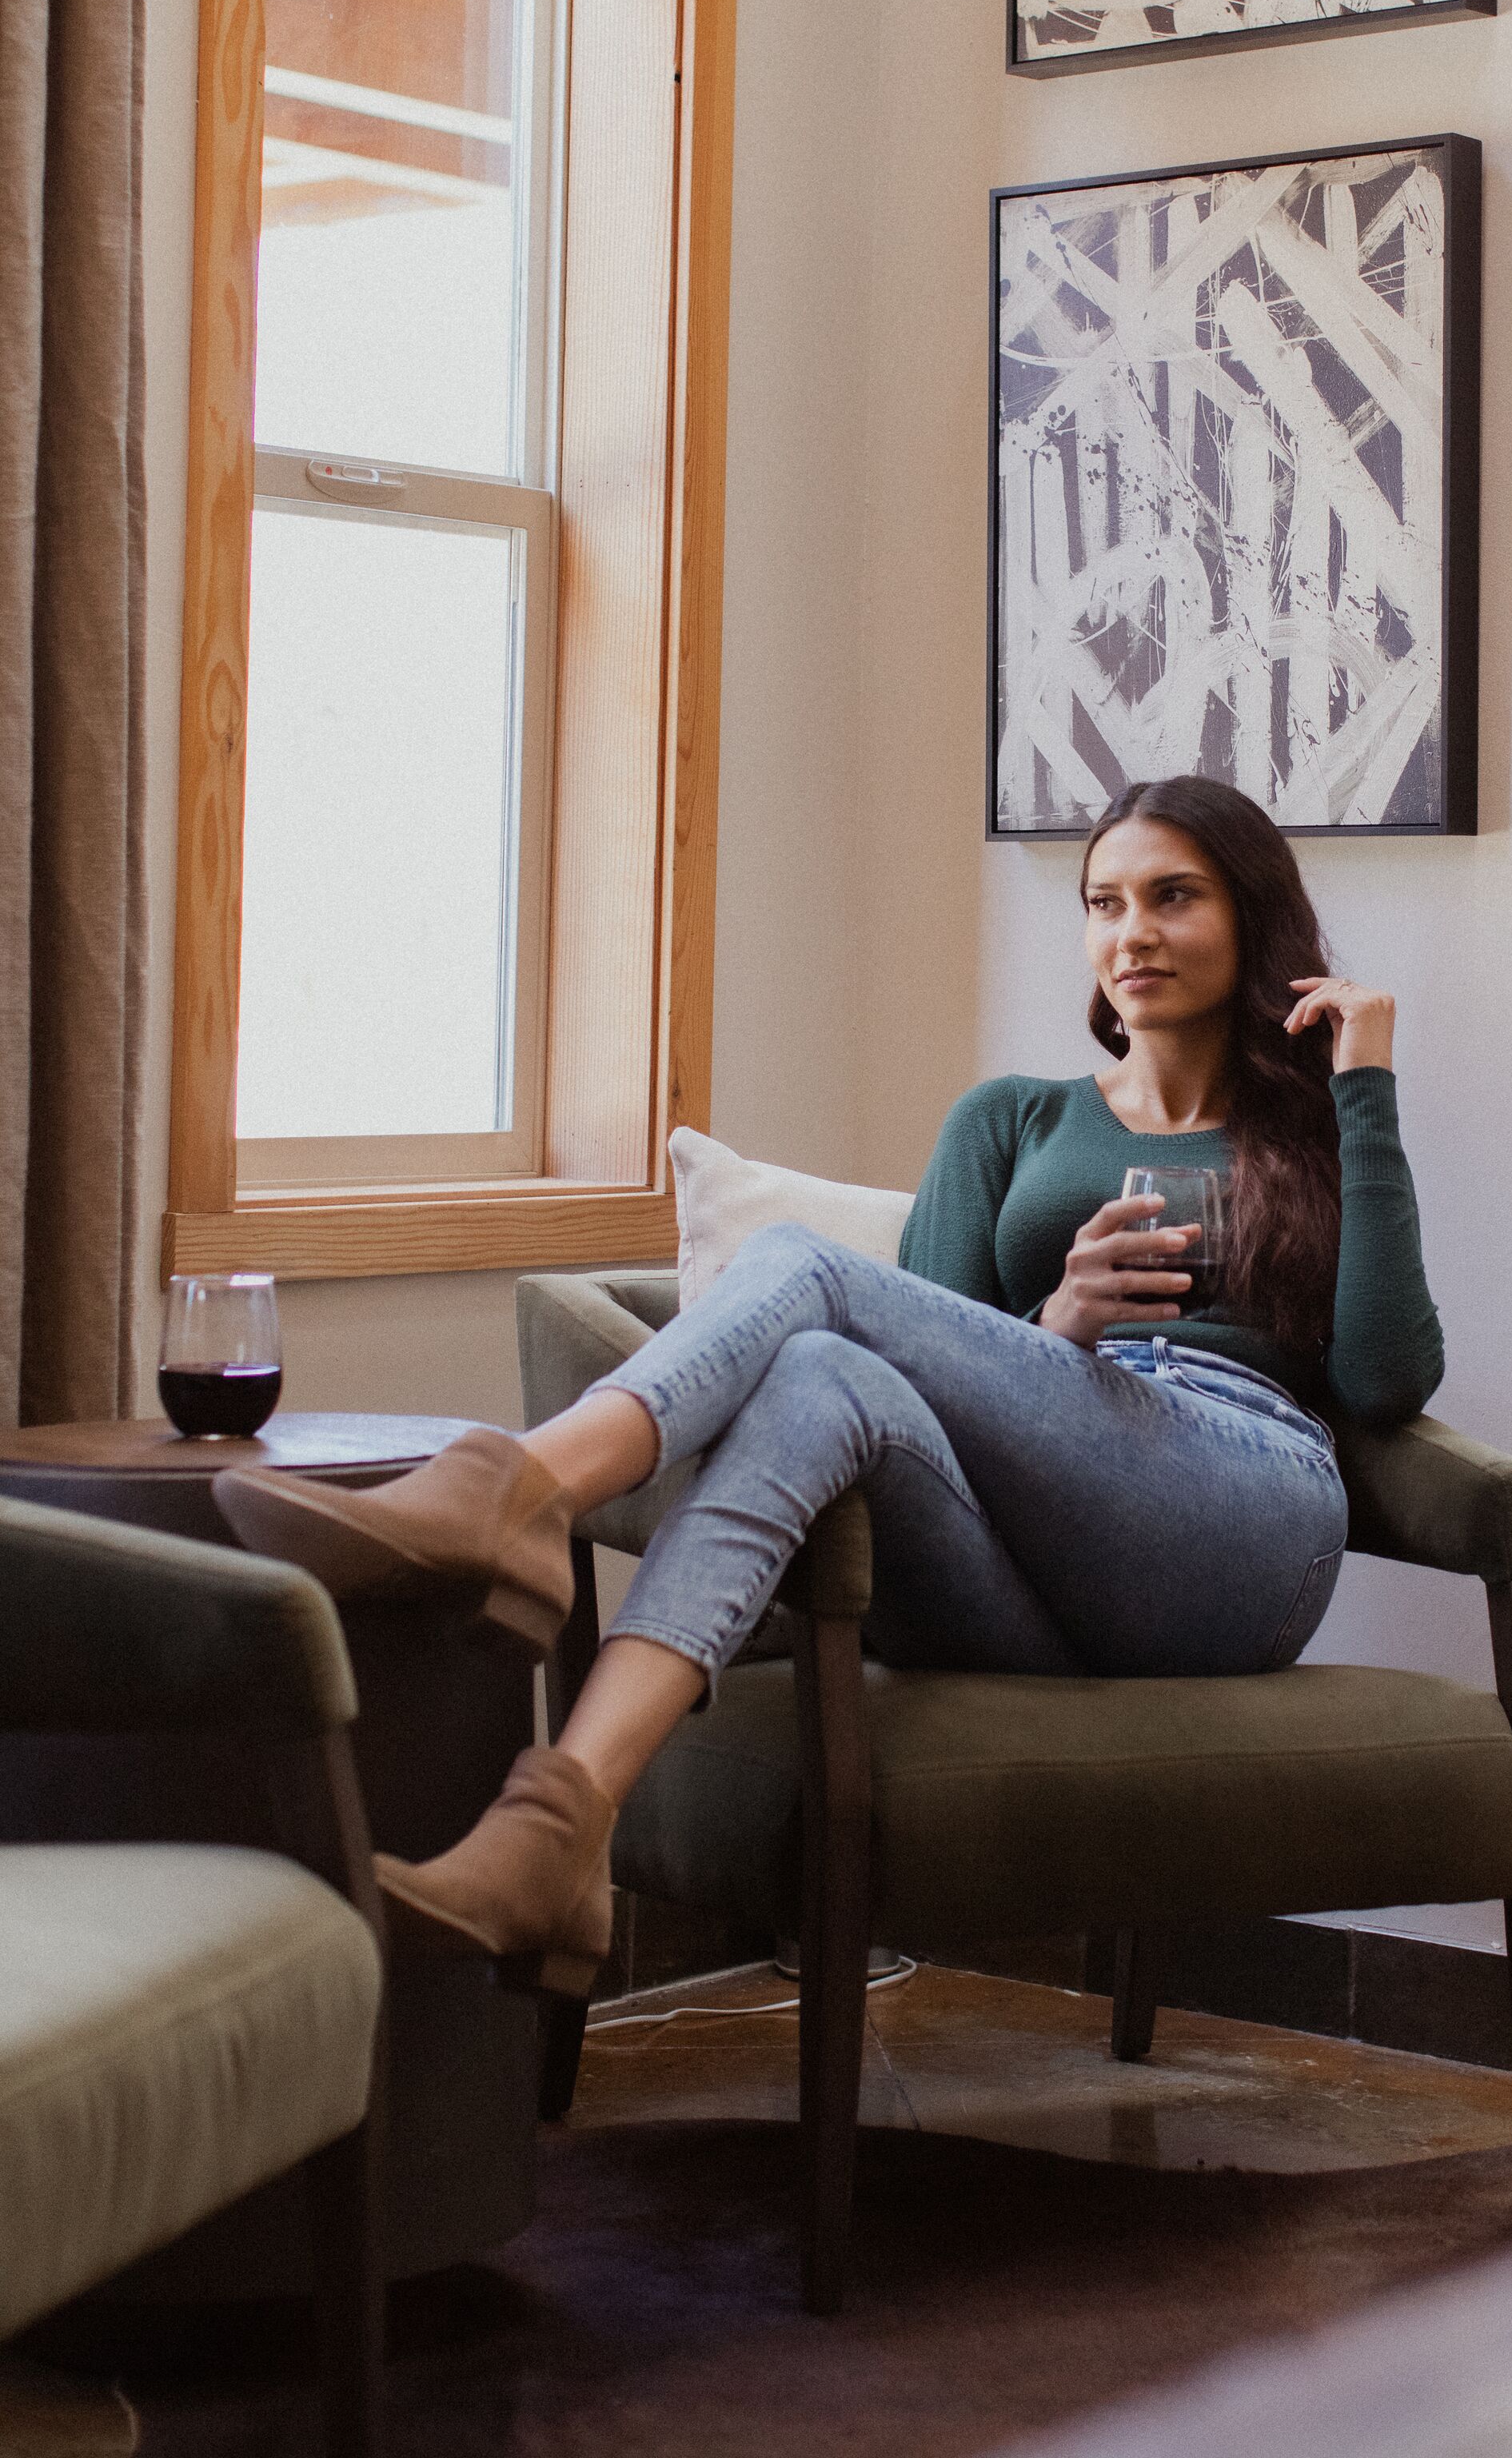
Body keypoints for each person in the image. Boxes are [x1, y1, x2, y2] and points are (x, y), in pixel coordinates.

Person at [214, 777, 1445, 1992]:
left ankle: (521, 1492)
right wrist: (1058, 1323)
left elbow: (1387, 1380)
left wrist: (1365, 1086)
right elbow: (925, 1358)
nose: (1131, 934)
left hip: (1244, 1522)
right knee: (816, 1374)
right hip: (1031, 1572)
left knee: (804, 1269)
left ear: (1252, 916)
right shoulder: (1010, 1121)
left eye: (1173, 896)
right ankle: (558, 1828)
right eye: (1104, 902)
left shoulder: (1319, 1126)